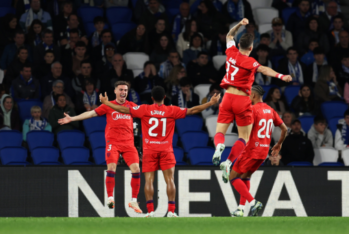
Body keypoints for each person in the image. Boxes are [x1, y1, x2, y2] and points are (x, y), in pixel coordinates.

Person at [98, 85, 221, 217]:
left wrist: (106, 103)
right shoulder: (171, 110)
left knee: (149, 181)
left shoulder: (144, 109)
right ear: (164, 97)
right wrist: (211, 103)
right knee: (170, 180)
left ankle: (150, 211)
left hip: (149, 150)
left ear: (152, 98)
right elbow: (193, 110)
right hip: (166, 150)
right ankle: (172, 211)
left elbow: (123, 109)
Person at [211, 19, 292, 177]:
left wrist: (240, 24)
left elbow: (229, 35)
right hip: (242, 100)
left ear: (239, 44)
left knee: (219, 132)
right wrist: (281, 76)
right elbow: (263, 69)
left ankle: (219, 146)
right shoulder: (249, 61)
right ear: (251, 47)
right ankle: (228, 162)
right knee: (244, 138)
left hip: (227, 97)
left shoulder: (231, 52)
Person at [58, 81, 144, 213]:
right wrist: (72, 119)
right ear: (115, 91)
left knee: (137, 169)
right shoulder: (108, 106)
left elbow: (145, 114)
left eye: (125, 90)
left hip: (128, 143)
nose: (123, 92)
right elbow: (90, 114)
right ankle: (110, 198)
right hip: (113, 143)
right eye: (121, 90)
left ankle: (133, 201)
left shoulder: (131, 106)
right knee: (111, 167)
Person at [226, 85, 287, 217]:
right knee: (245, 176)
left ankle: (253, 202)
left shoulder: (252, 110)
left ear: (253, 96)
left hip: (251, 150)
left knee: (232, 176)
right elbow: (285, 129)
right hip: (264, 151)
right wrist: (278, 144)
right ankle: (241, 209)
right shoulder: (271, 110)